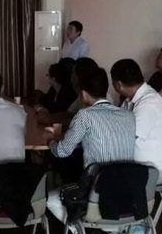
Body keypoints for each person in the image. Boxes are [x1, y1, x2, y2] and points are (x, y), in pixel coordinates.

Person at [45, 68, 135, 225]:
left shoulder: (85, 115)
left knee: (51, 199)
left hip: (96, 190)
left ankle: (78, 230)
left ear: (83, 94)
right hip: (126, 189)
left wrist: (50, 140)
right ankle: (103, 231)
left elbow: (62, 151)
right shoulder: (128, 115)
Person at [110, 59, 162, 184]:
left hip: (156, 166)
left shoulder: (149, 102)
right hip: (139, 162)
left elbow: (126, 138)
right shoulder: (130, 100)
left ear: (118, 84)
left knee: (105, 177)